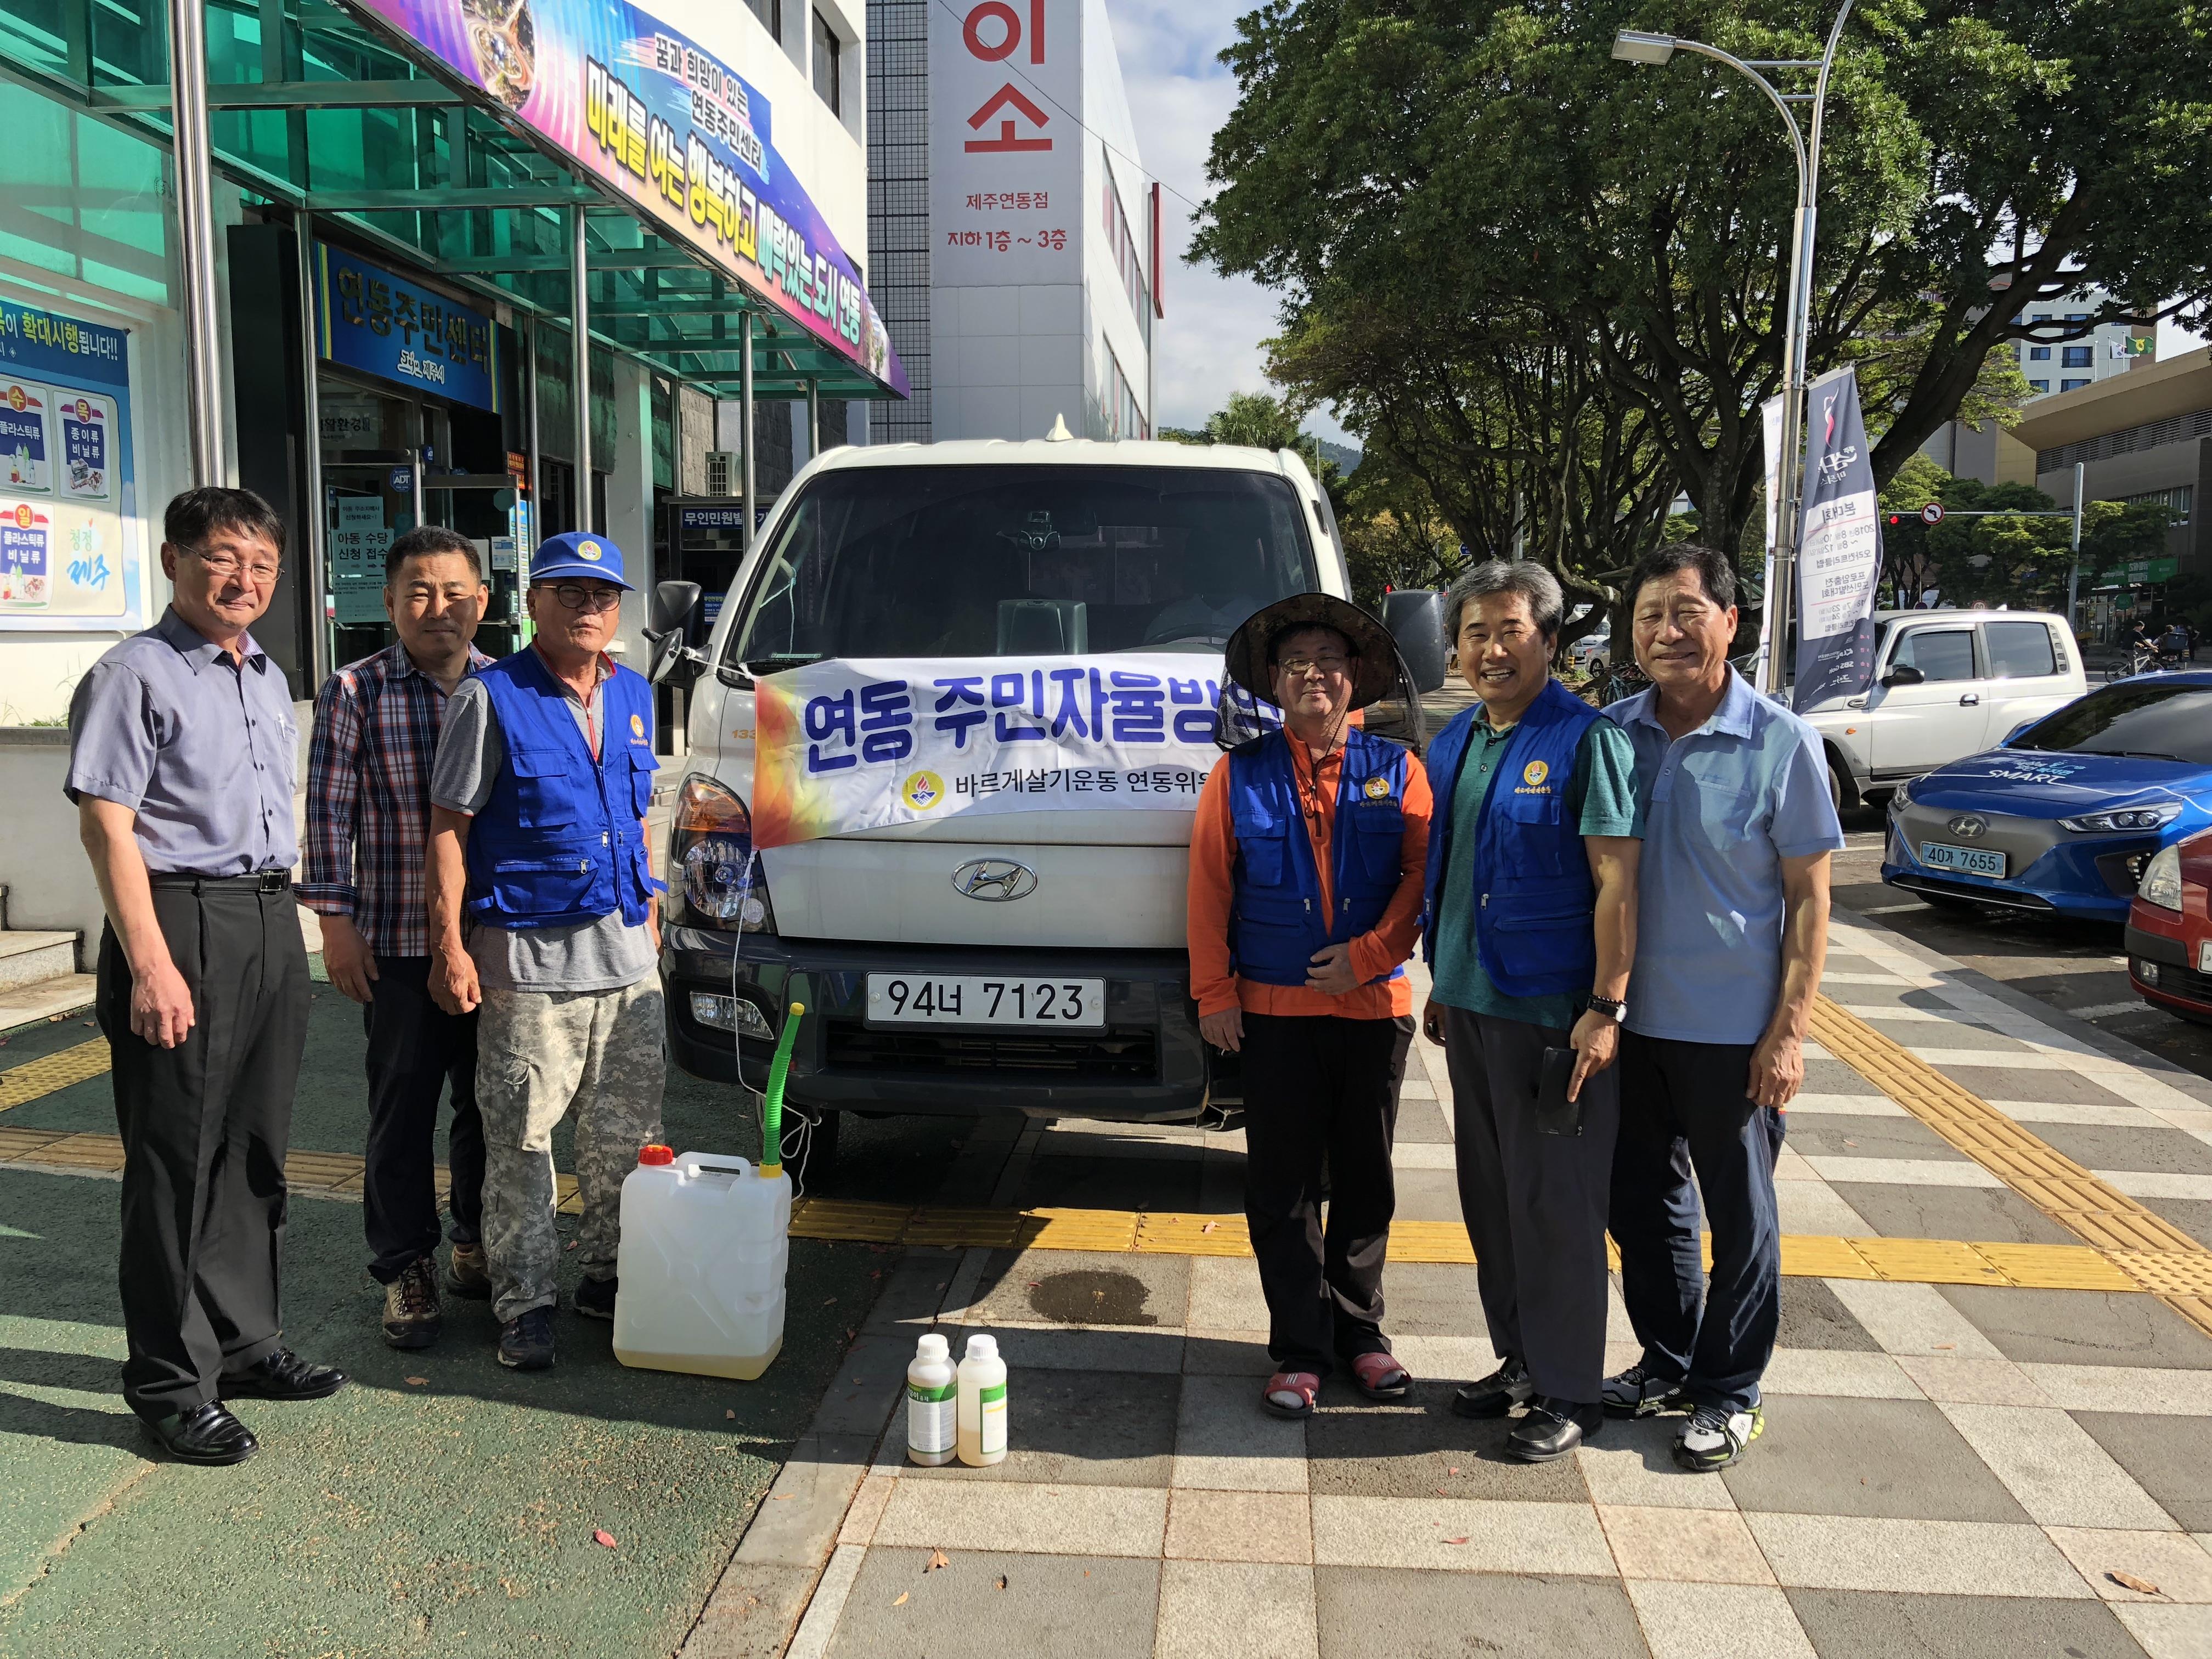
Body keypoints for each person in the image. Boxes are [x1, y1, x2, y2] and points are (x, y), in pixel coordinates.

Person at [66, 487, 346, 1466]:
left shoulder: (265, 674)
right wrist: (149, 962)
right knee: (176, 1163)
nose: (246, 580)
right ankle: (170, 1386)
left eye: (264, 565)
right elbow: (108, 826)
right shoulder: (133, 674)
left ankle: (245, 1341)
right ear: (176, 558)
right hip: (180, 918)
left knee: (255, 1148)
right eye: (226, 558)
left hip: (270, 916)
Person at [1601, 544, 1843, 1471]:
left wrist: (1790, 1033)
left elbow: (1812, 899)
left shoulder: (1780, 740)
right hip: (1627, 1021)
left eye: (1686, 612)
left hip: (1734, 1033)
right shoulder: (1614, 733)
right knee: (1642, 1203)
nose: (1666, 630)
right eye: (1650, 613)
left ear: (1731, 622)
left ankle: (1730, 1388)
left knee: (1741, 1215)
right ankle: (1667, 1359)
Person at [425, 531, 665, 1372]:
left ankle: (611, 1275)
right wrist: (450, 945)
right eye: (569, 593)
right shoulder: (491, 698)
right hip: (528, 967)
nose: (588, 609)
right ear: (532, 604)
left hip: (628, 965)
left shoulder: (635, 693)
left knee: (629, 1140)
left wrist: (653, 913)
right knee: (523, 1145)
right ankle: (524, 1303)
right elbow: (450, 831)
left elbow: (635, 816)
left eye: (602, 596)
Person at [1187, 592, 1431, 1418]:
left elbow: (1420, 878)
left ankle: (1361, 1337)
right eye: (1296, 664)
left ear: (1354, 677)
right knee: (1283, 1188)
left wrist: (1367, 957)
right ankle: (1299, 1346)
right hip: (1274, 1016)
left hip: (1373, 1011)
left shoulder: (1398, 767)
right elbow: (1208, 891)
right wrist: (1214, 994)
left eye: (1329, 660)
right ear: (1274, 684)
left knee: (1366, 1178)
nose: (1313, 675)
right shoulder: (1238, 773)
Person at [1421, 562, 1643, 1462]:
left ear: (1551, 640)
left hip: (1555, 1016)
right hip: (1471, 1007)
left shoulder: (1587, 740)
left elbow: (1618, 880)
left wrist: (1606, 1006)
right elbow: (1459, 871)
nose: (1491, 648)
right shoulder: (1461, 740)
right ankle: (1518, 1360)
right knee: (1493, 1202)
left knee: (1555, 1207)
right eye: (1475, 632)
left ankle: (1569, 1390)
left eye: (1511, 630)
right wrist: (1443, 981)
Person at [300, 526, 494, 1350]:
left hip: (495, 945)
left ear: (484, 601)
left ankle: (476, 1239)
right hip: (396, 944)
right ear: (388, 602)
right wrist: (335, 927)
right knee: (402, 1108)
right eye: (419, 591)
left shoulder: (510, 687)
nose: (437, 607)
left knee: (491, 1106)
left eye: (454, 592)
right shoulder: (357, 690)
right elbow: (326, 815)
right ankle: (404, 1265)